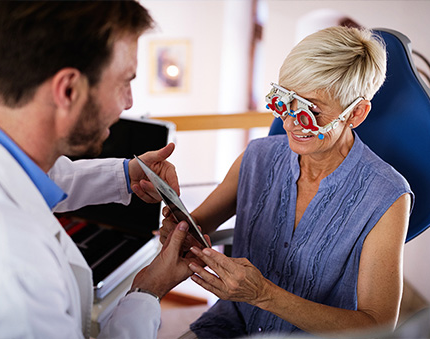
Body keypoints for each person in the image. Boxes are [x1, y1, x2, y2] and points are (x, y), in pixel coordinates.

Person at [0, 1, 200, 338]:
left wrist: (125, 174)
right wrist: (146, 294)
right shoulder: (13, 280)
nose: (129, 102)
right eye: (124, 81)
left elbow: (38, 179)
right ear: (68, 90)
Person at [160, 26, 413, 338]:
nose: (290, 121)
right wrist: (177, 226)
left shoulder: (386, 195)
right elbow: (197, 223)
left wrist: (264, 294)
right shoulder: (258, 156)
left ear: (356, 113)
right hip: (232, 323)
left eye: (311, 112)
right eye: (284, 101)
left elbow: (378, 326)